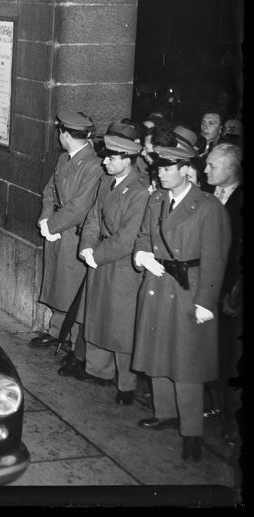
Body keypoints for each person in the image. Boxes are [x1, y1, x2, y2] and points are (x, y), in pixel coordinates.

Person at [131, 136, 228, 463]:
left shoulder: (208, 207)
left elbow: (215, 258)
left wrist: (206, 301)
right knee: (157, 351)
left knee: (187, 363)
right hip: (158, 285)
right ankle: (165, 413)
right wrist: (142, 254)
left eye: (167, 168)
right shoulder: (157, 199)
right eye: (158, 167)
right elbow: (144, 234)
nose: (160, 173)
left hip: (188, 291)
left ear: (186, 169)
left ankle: (192, 432)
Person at [76, 122, 150, 403]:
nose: (104, 161)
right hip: (99, 256)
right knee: (98, 314)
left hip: (121, 265)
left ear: (128, 160)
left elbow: (127, 238)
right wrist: (86, 245)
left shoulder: (139, 192)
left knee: (121, 324)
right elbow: (93, 218)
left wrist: (96, 255)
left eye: (111, 158)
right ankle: (98, 370)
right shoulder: (107, 182)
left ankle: (127, 385)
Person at [32, 110, 103, 371]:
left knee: (71, 287)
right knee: (57, 282)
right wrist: (45, 219)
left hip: (72, 232)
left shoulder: (93, 165)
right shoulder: (64, 158)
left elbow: (79, 207)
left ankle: (73, 342)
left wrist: (53, 225)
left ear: (66, 134)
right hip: (56, 227)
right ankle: (56, 330)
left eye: (60, 132)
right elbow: (49, 190)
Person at [203, 141, 242, 445]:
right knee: (213, 350)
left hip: (233, 292)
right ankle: (213, 404)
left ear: (231, 169)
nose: (206, 169)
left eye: (212, 165)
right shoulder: (208, 194)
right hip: (210, 286)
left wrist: (233, 291)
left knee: (233, 357)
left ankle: (233, 420)